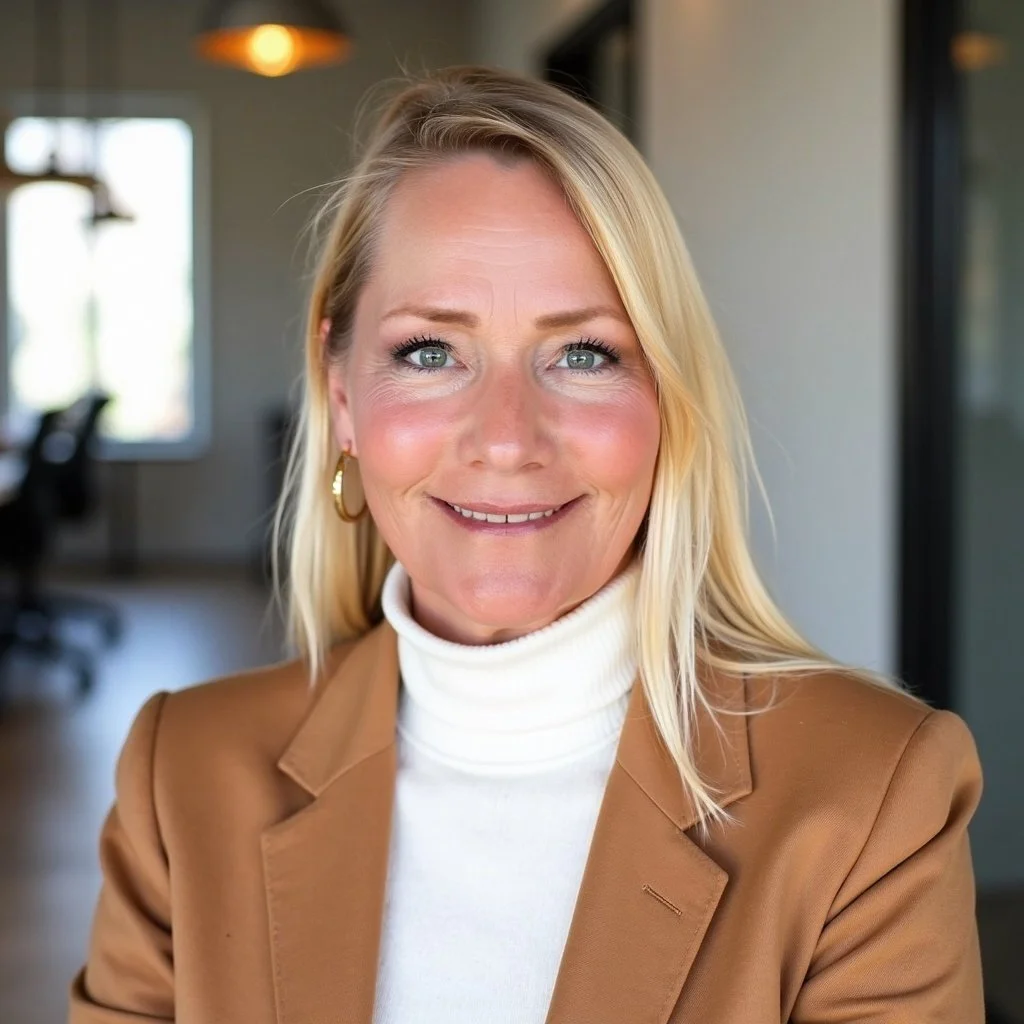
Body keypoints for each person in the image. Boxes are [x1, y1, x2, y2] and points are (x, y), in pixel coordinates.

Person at [69, 66, 984, 1023]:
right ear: (343, 400)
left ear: (666, 401)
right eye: (430, 352)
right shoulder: (182, 777)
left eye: (583, 353)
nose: (506, 438)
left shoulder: (873, 794)